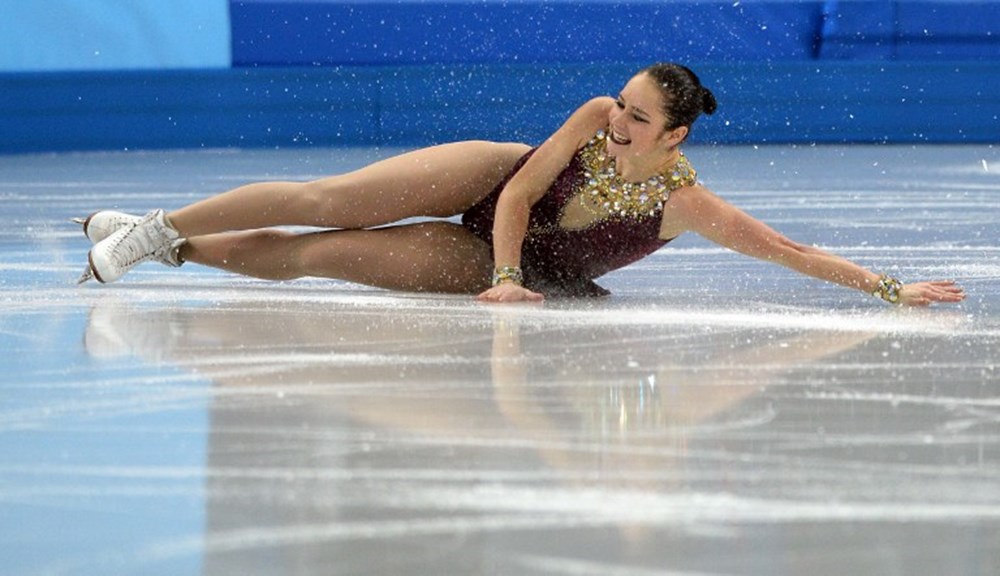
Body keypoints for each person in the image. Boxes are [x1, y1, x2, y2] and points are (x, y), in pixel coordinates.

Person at [75, 63, 965, 306]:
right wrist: (506, 278)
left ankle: (176, 251)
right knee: (328, 198)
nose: (618, 121)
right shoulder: (590, 116)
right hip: (499, 196)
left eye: (638, 119)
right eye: (621, 104)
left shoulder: (686, 205)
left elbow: (789, 251)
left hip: (516, 269)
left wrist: (889, 287)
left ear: (676, 137)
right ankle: (154, 226)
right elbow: (515, 196)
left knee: (327, 253)